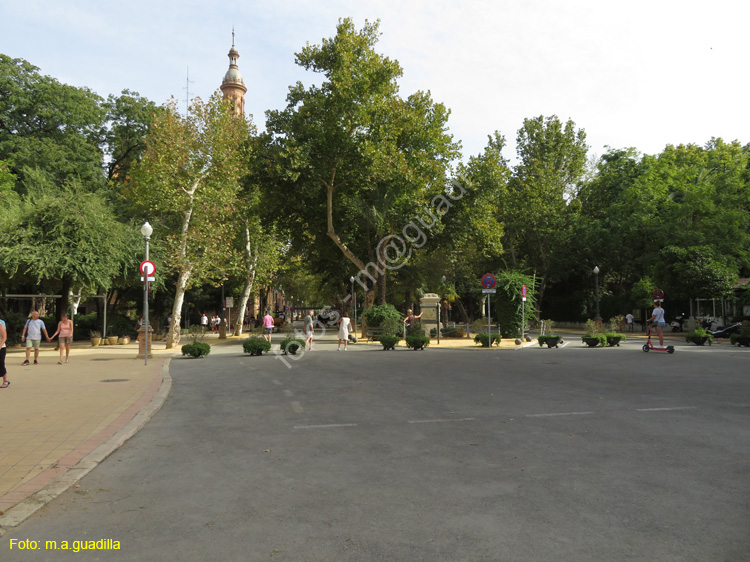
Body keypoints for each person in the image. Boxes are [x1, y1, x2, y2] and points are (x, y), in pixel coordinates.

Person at [0, 315, 9, 388]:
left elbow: (4, 337)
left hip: (1, 348)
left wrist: (0, 345)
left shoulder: (1, 324)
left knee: (0, 364)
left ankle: (6, 380)